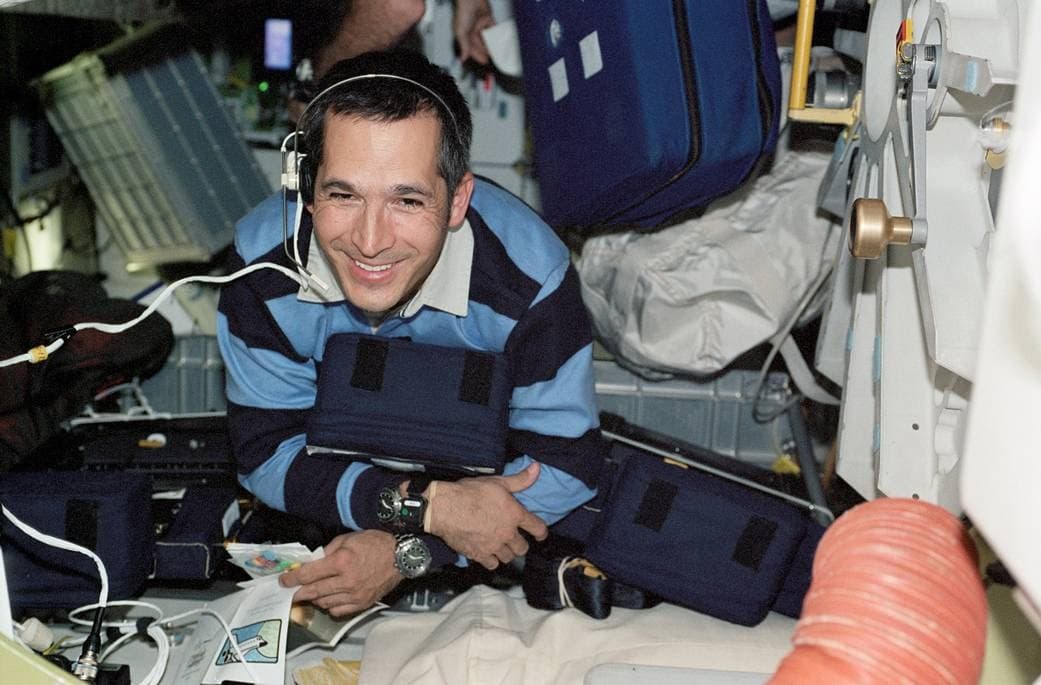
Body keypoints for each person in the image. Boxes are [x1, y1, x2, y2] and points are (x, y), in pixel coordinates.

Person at [216, 49, 603, 616]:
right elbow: (266, 454)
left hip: (470, 514)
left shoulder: (529, 278)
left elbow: (567, 468)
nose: (371, 241)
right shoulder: (260, 268)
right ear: (305, 185)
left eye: (407, 200)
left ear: (457, 201)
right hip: (362, 509)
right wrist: (425, 508)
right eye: (342, 194)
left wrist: (406, 552)